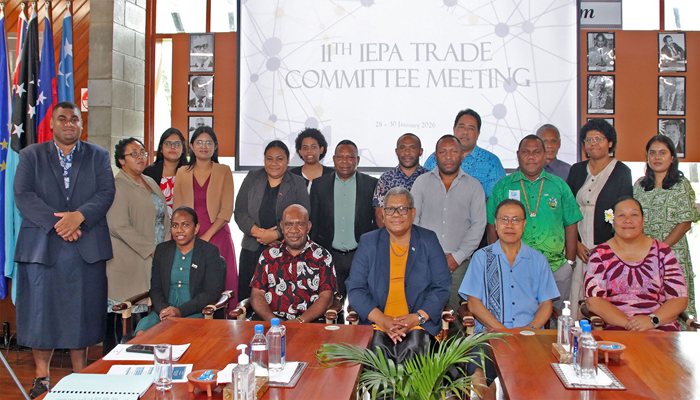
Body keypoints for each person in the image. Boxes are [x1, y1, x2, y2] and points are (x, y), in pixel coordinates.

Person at [13, 102, 115, 398]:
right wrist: (59, 224)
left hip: (85, 245)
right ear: (52, 124)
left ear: (81, 124)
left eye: (74, 119)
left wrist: (79, 217)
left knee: (80, 312)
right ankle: (41, 377)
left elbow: (106, 192)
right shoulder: (31, 155)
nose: (69, 123)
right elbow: (23, 195)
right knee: (41, 313)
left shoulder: (98, 155)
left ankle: (81, 374)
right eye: (62, 118)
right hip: (42, 247)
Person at [459, 199, 559, 400]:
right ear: (496, 224)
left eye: (515, 220)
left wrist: (530, 329)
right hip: (489, 334)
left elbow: (546, 304)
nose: (510, 225)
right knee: (478, 372)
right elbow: (474, 303)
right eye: (504, 219)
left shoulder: (538, 259)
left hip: (530, 336)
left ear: (524, 224)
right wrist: (502, 331)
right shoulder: (481, 257)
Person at [346, 187, 451, 363]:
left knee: (414, 347)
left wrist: (416, 318)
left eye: (402, 209)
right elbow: (356, 288)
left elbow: (442, 287)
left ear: (413, 212)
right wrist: (383, 320)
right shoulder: (369, 242)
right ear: (383, 213)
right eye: (390, 209)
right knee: (378, 351)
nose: (396, 214)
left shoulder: (428, 240)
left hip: (418, 323)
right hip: (378, 323)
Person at [487, 135, 581, 311]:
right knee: (518, 315)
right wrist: (496, 262)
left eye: (536, 152)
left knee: (557, 319)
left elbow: (571, 223)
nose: (531, 157)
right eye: (526, 152)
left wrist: (569, 262)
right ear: (518, 155)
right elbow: (492, 225)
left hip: (555, 268)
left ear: (545, 155)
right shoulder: (503, 186)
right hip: (513, 268)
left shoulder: (559, 186)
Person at [104, 138, 169, 354]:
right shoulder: (117, 186)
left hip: (154, 257)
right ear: (122, 161)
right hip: (128, 262)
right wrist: (152, 249)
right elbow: (118, 225)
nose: (140, 157)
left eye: (142, 152)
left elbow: (163, 218)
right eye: (134, 154)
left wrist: (166, 247)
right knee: (126, 319)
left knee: (147, 319)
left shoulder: (149, 181)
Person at [585, 197, 688, 331]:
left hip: (659, 325)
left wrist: (651, 321)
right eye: (621, 215)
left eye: (634, 214)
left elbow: (679, 298)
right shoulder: (600, 254)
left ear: (643, 220)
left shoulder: (662, 252)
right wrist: (630, 324)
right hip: (616, 325)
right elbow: (594, 301)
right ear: (612, 221)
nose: (628, 220)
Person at [411, 135, 485, 313]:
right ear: (435, 155)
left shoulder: (474, 186)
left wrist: (457, 257)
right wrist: (426, 255)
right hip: (424, 262)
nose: (448, 156)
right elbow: (412, 220)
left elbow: (478, 225)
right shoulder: (421, 182)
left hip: (459, 265)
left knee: (458, 317)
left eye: (453, 151)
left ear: (462, 155)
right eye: (443, 152)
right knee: (422, 315)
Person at [567, 119, 632, 318]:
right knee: (577, 297)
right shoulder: (577, 170)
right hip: (579, 248)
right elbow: (566, 210)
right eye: (588, 140)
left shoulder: (621, 172)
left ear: (610, 142)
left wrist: (606, 249)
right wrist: (575, 244)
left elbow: (624, 214)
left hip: (608, 250)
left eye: (598, 139)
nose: (593, 143)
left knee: (603, 301)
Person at [235, 140, 309, 301]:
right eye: (269, 158)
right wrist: (259, 233)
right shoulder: (252, 177)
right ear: (264, 160)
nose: (274, 163)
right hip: (252, 250)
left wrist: (276, 234)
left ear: (287, 161)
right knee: (248, 299)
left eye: (279, 159)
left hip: (285, 252)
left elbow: (304, 216)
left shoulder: (297, 182)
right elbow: (240, 212)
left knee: (280, 300)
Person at [634, 135, 699, 316]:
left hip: (673, 254)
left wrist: (660, 249)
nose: (657, 157)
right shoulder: (639, 185)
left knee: (675, 306)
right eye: (652, 153)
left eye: (662, 153)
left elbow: (685, 223)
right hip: (645, 256)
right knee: (647, 306)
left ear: (672, 158)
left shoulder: (681, 185)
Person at [135, 207, 226, 333]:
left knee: (180, 336)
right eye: (175, 225)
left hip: (195, 313)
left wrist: (179, 311)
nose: (179, 230)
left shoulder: (209, 252)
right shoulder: (162, 250)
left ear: (196, 228)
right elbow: (156, 288)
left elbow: (211, 293)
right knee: (142, 334)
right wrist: (164, 310)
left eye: (185, 225)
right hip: (163, 313)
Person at [173, 126, 237, 304]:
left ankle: (225, 319)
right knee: (191, 283)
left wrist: (207, 236)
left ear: (215, 146)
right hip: (189, 235)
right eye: (199, 142)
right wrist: (186, 235)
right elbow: (178, 209)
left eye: (209, 142)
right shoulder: (182, 172)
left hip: (217, 235)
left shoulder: (224, 170)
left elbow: (226, 210)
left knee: (222, 282)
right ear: (191, 146)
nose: (204, 146)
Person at [310, 140, 378, 302]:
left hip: (360, 255)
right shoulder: (319, 185)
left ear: (357, 160)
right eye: (340, 157)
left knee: (361, 304)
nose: (345, 161)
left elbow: (376, 222)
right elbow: (314, 222)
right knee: (331, 305)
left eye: (350, 157)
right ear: (334, 159)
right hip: (329, 255)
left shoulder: (371, 184)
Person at [250, 204, 336, 322]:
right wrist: (274, 322)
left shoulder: (322, 257)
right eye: (288, 224)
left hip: (309, 323)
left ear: (308, 227)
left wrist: (299, 321)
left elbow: (326, 297)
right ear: (282, 227)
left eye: (300, 224)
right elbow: (257, 294)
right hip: (272, 322)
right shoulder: (268, 256)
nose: (294, 230)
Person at [423, 109, 505, 198]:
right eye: (461, 127)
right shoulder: (434, 158)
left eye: (471, 128)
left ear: (478, 133)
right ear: (454, 129)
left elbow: (498, 199)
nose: (465, 132)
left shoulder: (492, 162)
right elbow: (423, 191)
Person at [373, 133, 427, 228]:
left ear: (420, 151)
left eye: (412, 148)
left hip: (424, 235)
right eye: (402, 148)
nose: (407, 152)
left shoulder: (429, 178)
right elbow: (380, 215)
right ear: (396, 151)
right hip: (393, 235)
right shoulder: (386, 178)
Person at [143, 128, 188, 217]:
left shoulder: (190, 172)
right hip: (156, 223)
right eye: (168, 144)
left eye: (177, 144)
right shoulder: (149, 172)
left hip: (184, 222)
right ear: (161, 148)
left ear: (183, 149)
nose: (172, 147)